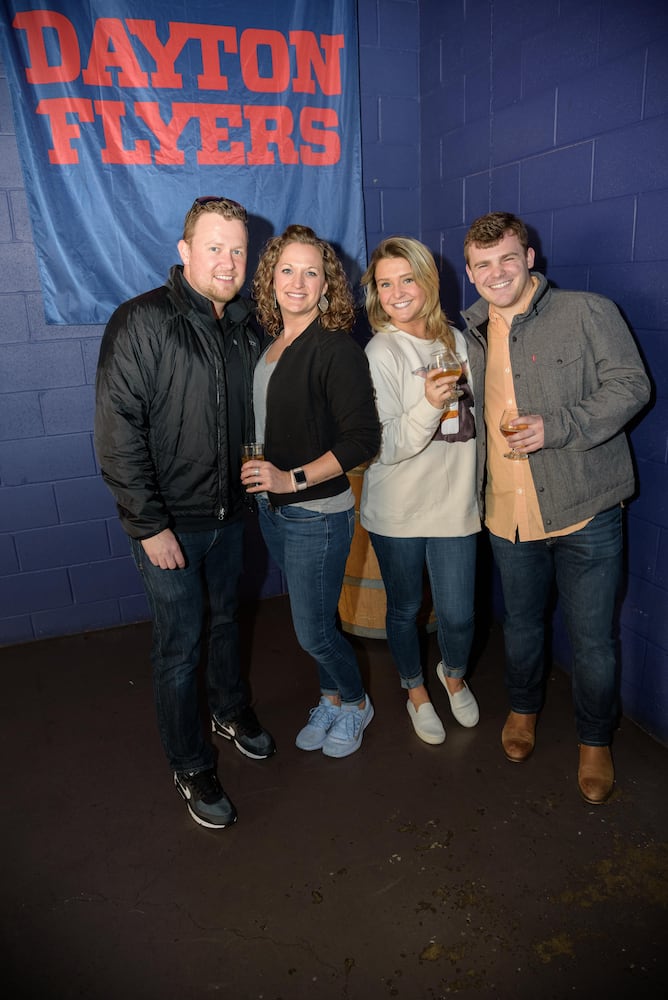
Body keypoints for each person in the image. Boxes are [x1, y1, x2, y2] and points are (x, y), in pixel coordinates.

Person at [94, 196, 276, 831]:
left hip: (231, 518)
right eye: (215, 247)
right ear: (185, 251)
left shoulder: (249, 324)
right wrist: (149, 526)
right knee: (180, 647)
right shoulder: (140, 321)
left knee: (227, 623)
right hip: (170, 525)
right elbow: (117, 434)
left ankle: (229, 710)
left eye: (237, 249)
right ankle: (190, 761)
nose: (228, 261)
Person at [461, 211, 650, 803]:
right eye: (483, 265)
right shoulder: (466, 333)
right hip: (505, 514)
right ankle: (523, 710)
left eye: (508, 259)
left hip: (584, 508)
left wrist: (559, 425)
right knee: (520, 627)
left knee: (592, 641)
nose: (497, 273)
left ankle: (595, 741)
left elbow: (632, 385)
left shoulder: (588, 312)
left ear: (530, 259)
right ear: (470, 272)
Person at [242, 224, 381, 758]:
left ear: (328, 286)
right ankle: (330, 698)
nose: (298, 282)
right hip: (274, 511)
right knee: (315, 619)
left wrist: (290, 478)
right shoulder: (274, 343)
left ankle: (356, 701)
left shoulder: (334, 349)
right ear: (271, 279)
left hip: (316, 513)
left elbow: (361, 440)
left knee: (313, 633)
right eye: (287, 270)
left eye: (311, 272)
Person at [359, 237, 481, 746]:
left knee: (459, 610)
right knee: (405, 608)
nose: (396, 292)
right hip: (399, 508)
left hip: (455, 505)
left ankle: (453, 676)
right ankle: (415, 691)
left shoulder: (459, 339)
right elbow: (384, 446)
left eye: (406, 279)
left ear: (427, 280)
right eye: (385, 284)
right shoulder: (380, 349)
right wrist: (430, 403)